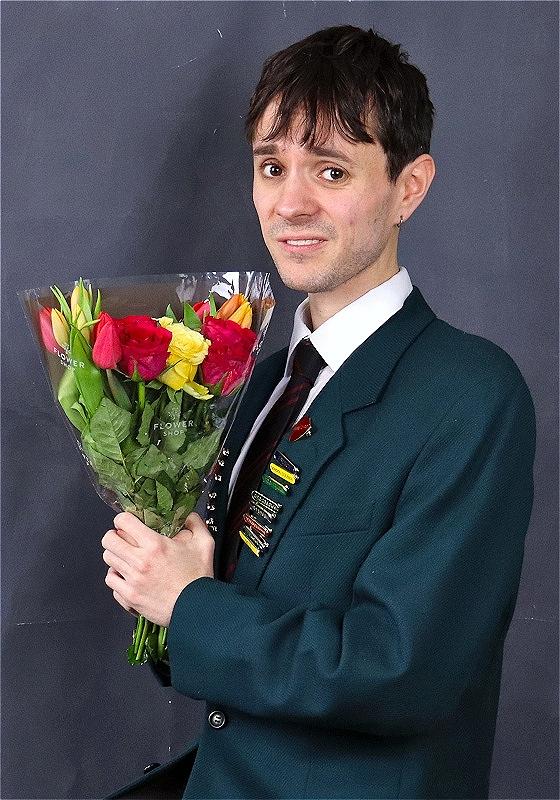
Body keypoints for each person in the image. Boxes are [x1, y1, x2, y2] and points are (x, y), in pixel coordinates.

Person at [102, 24, 536, 800]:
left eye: (332, 171)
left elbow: (398, 671)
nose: (291, 203)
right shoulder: (259, 382)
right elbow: (216, 626)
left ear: (410, 186)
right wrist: (158, 589)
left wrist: (188, 604)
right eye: (272, 168)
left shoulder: (470, 393)